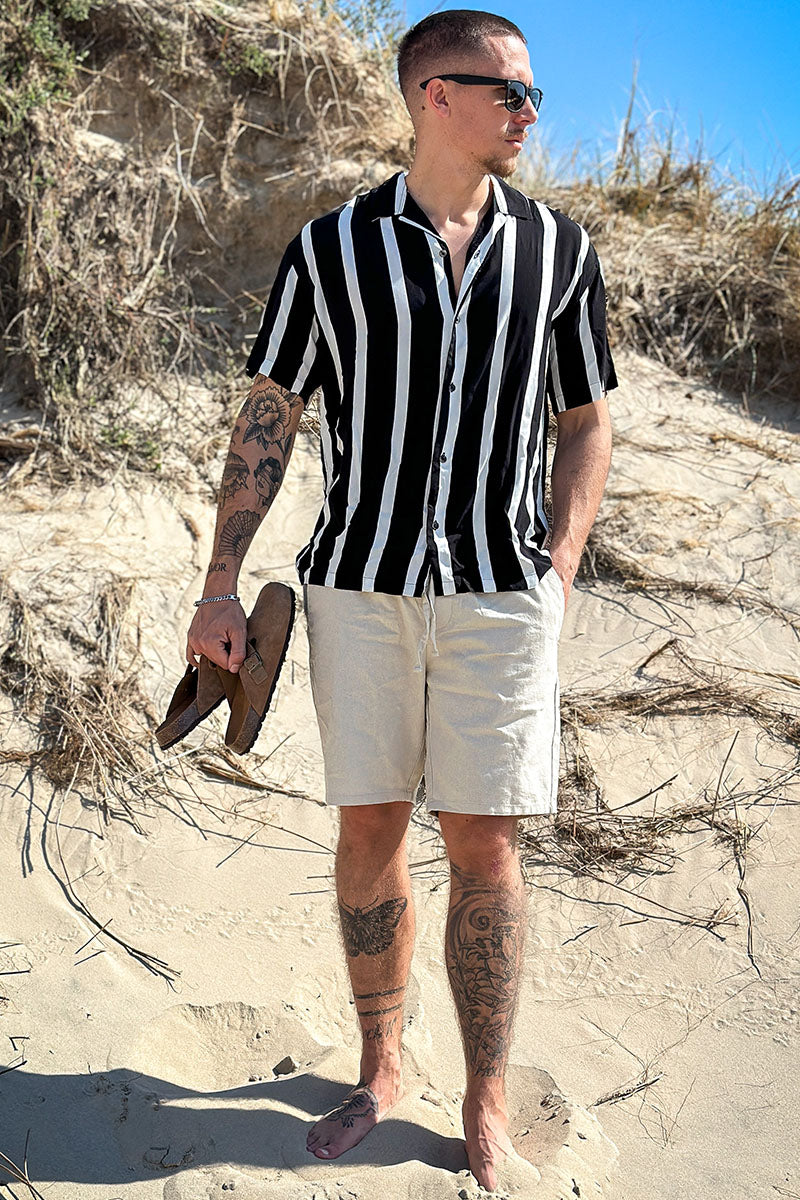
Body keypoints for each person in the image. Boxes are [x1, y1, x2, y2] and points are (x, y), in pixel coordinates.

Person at [186, 8, 616, 1191]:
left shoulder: (560, 252)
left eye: (532, 96)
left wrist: (558, 567)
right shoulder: (329, 250)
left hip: (499, 596)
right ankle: (382, 1065)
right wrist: (219, 585)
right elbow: (270, 413)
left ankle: (483, 1096)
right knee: (369, 829)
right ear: (436, 94)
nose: (529, 113)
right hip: (358, 589)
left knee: (484, 844)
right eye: (510, 92)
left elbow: (585, 422)